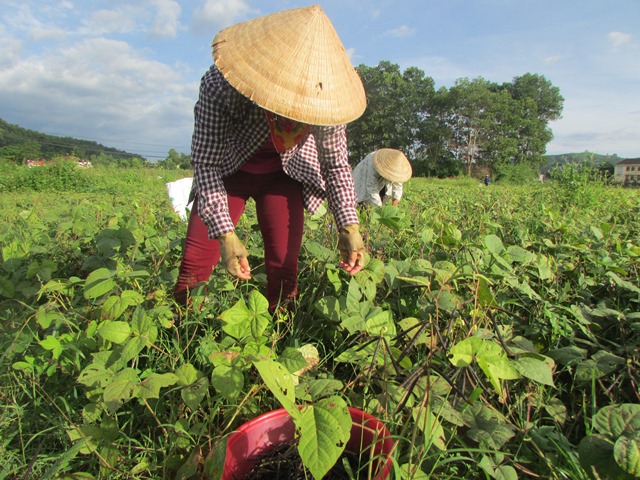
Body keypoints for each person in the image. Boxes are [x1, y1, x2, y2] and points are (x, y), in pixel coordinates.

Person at [173, 5, 368, 313]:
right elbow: (206, 163)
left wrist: (349, 227)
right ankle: (184, 332)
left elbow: (335, 167)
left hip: (284, 174)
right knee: (195, 263)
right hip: (228, 171)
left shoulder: (327, 98)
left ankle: (278, 336)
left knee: (284, 266)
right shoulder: (222, 84)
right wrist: (226, 234)